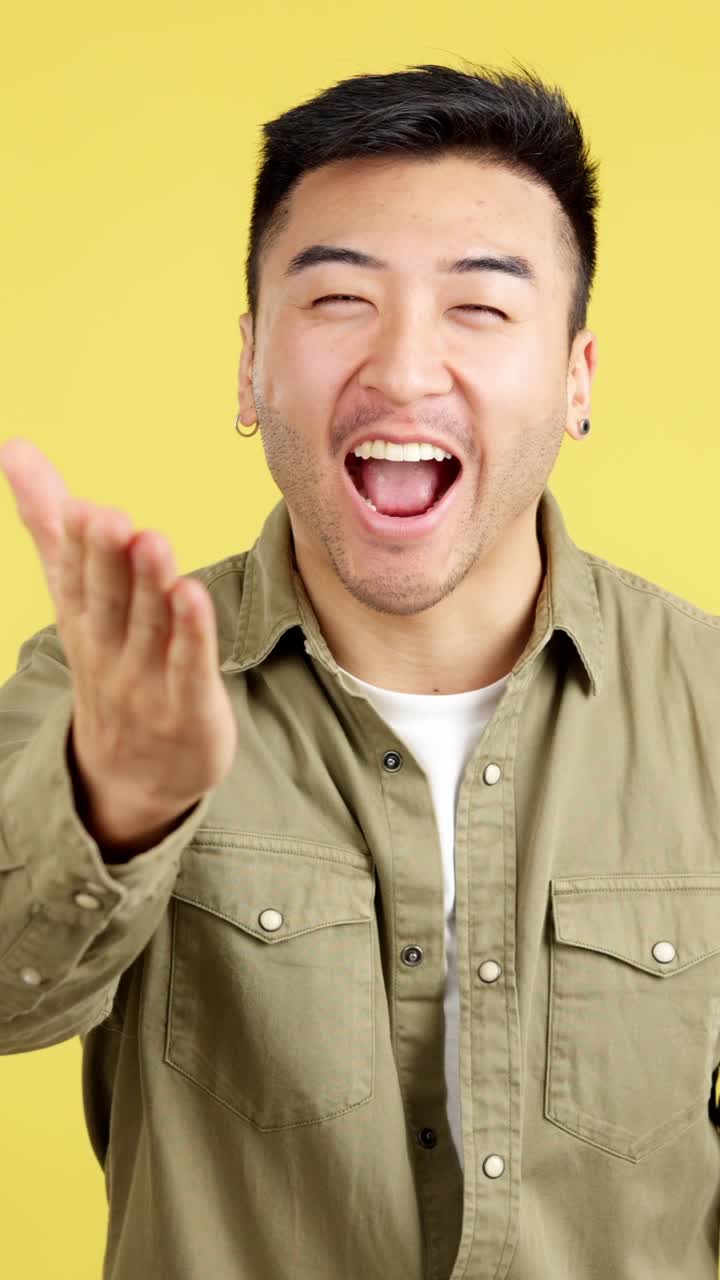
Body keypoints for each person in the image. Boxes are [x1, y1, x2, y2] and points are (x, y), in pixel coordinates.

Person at [0, 58, 719, 1280]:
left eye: (480, 309)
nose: (400, 367)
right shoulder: (101, 681)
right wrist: (115, 801)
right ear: (248, 364)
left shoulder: (708, 701)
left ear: (578, 377)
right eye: (338, 299)